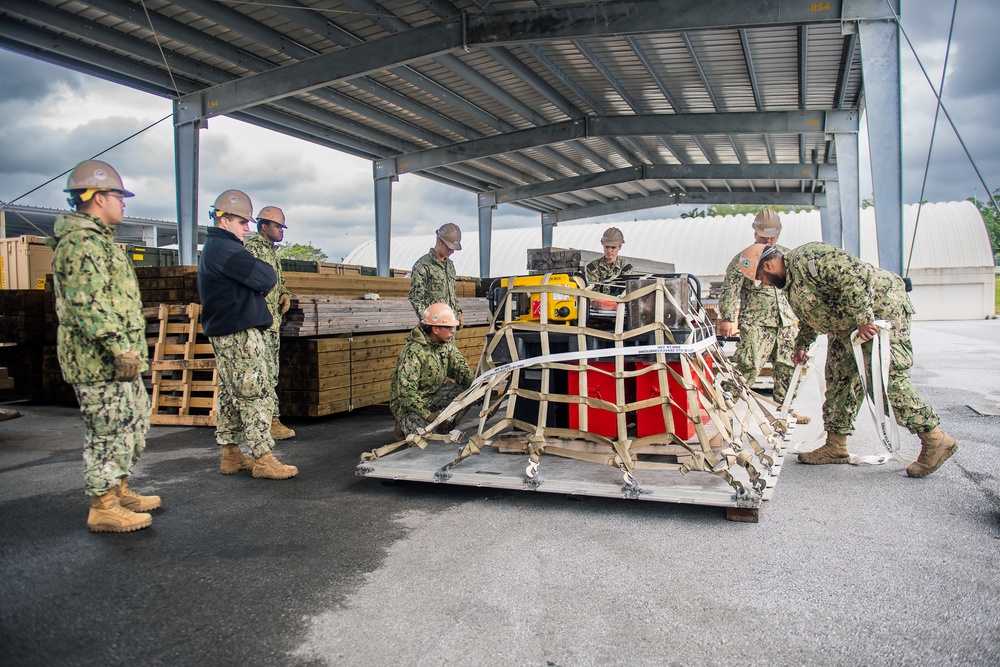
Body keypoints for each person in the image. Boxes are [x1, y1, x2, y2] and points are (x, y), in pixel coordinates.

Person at [738, 241, 958, 477]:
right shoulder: (791, 285)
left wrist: (864, 318)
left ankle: (935, 438)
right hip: (846, 326)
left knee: (884, 380)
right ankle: (836, 445)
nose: (764, 283)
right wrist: (802, 344)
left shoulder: (809, 257)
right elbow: (811, 315)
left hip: (879, 312)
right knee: (839, 378)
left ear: (769, 265)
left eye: (761, 277)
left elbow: (857, 275)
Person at [49, 160, 158, 532]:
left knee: (132, 422)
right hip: (98, 359)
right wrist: (117, 346)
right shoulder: (80, 243)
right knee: (108, 428)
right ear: (96, 198)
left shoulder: (100, 241)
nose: (123, 204)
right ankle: (103, 504)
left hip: (116, 357)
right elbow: (88, 301)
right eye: (118, 196)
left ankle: (120, 487)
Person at [198, 190, 298, 480]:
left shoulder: (218, 249)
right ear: (224, 219)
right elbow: (266, 277)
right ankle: (263, 457)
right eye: (242, 221)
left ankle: (231, 453)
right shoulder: (225, 249)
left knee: (231, 395)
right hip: (238, 333)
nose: (246, 227)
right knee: (256, 394)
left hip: (228, 330)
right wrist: (262, 281)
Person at [717, 210, 810, 424]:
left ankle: (786, 412)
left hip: (787, 323)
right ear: (754, 233)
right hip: (757, 324)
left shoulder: (786, 256)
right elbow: (731, 288)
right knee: (747, 365)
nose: (768, 241)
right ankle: (721, 406)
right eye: (763, 237)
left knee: (787, 367)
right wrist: (728, 318)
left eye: (772, 238)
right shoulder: (746, 258)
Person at [243, 205, 295, 441]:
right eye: (277, 226)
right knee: (261, 374)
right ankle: (267, 422)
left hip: (272, 324)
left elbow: (277, 279)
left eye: (282, 227)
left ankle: (271, 419)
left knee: (271, 372)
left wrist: (283, 292)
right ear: (263, 226)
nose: (281, 231)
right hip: (257, 324)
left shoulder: (272, 252)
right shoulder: (252, 249)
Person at [390, 303, 475, 439]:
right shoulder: (413, 352)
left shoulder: (446, 347)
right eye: (449, 327)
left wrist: (479, 383)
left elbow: (462, 371)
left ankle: (446, 424)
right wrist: (427, 415)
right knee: (422, 438)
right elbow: (405, 392)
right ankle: (403, 424)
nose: (453, 331)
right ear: (435, 329)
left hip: (434, 395)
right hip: (410, 406)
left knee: (471, 391)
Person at [409, 223, 464, 327]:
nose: (451, 251)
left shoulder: (450, 266)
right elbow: (415, 298)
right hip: (434, 329)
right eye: (449, 248)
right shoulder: (423, 266)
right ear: (439, 241)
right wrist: (429, 322)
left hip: (449, 326)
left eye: (453, 249)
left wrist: (458, 312)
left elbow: (452, 293)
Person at [585, 227, 633, 293]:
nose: (609, 251)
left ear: (620, 247)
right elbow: (592, 291)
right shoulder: (593, 267)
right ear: (602, 245)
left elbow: (625, 291)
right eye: (607, 247)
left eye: (613, 247)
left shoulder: (626, 267)